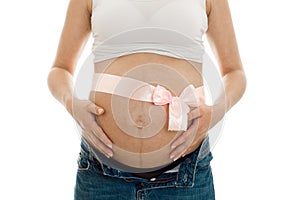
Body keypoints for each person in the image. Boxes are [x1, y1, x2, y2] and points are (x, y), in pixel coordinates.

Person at [47, 0, 246, 199]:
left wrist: (216, 112)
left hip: (186, 175)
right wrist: (72, 103)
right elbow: (60, 69)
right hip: (101, 175)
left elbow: (234, 72)